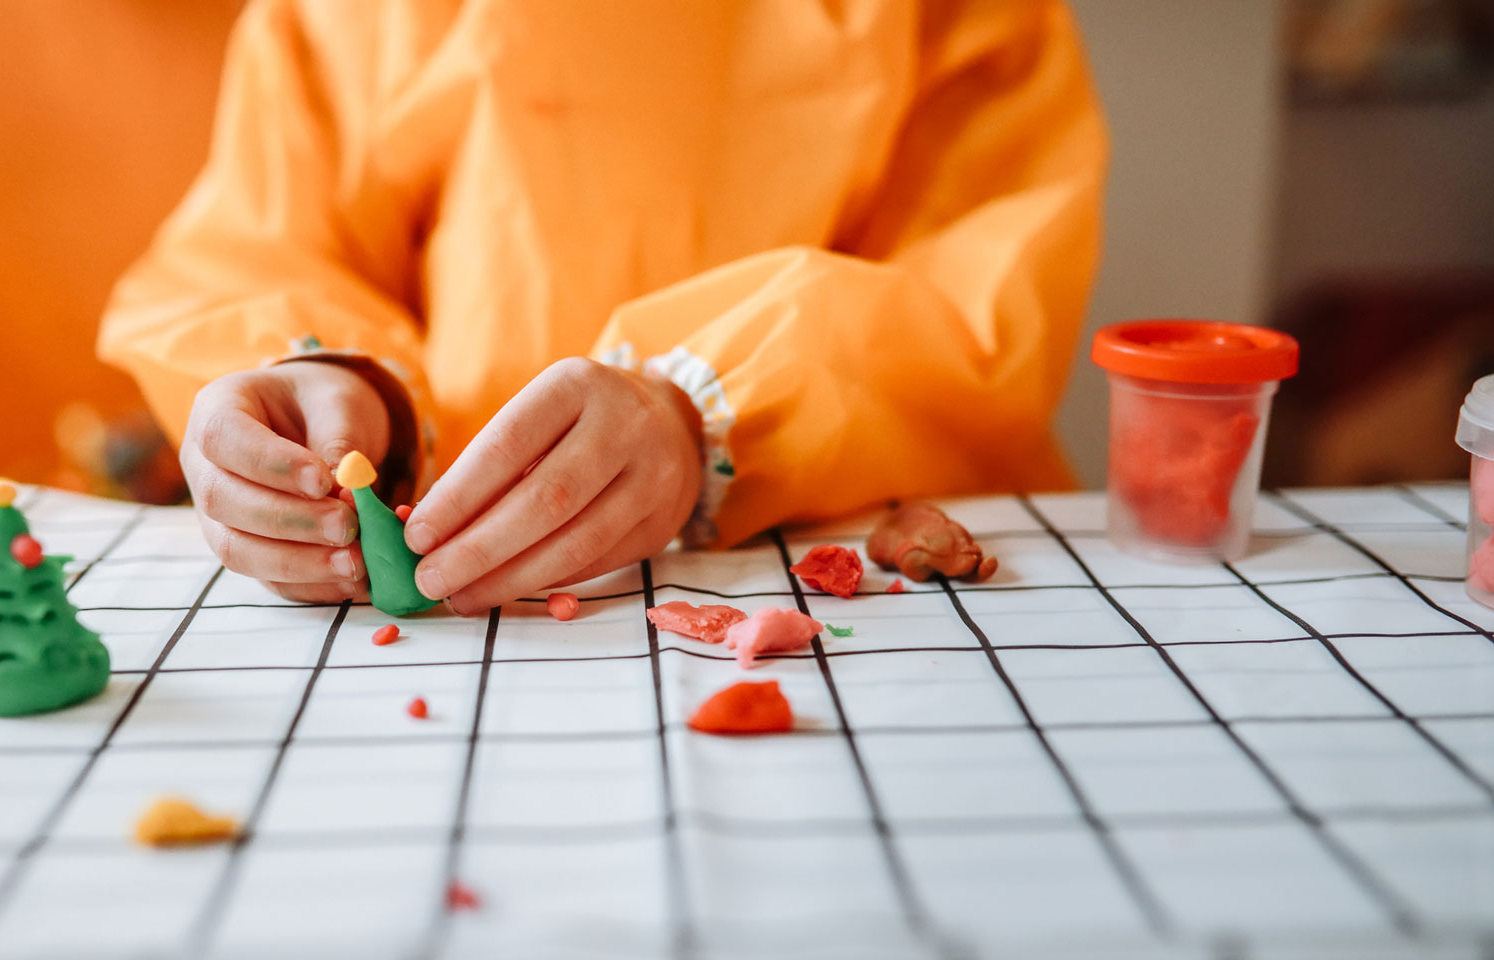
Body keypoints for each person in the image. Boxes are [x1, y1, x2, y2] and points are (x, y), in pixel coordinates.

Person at [99, 0, 1105, 614]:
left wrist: (704, 415)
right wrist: (328, 386)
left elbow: (977, 297)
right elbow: (254, 249)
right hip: (447, 604)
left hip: (844, 571)